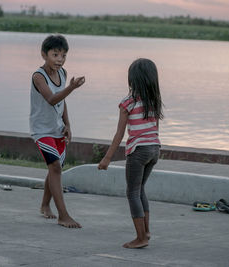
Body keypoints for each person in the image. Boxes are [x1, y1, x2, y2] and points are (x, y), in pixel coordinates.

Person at [98, 58, 164, 248]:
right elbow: (155, 128)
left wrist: (106, 159)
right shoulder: (154, 101)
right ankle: (147, 231)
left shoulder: (128, 102)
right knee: (140, 189)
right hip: (154, 149)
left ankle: (141, 238)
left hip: (138, 151)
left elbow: (119, 134)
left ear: (132, 79)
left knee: (132, 192)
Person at [30, 34, 85, 228]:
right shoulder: (39, 76)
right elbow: (52, 99)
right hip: (41, 130)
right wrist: (71, 87)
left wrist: (68, 124)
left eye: (63, 55)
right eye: (55, 55)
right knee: (55, 166)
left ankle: (45, 205)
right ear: (44, 55)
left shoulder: (62, 73)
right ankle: (63, 215)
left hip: (57, 129)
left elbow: (61, 101)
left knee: (55, 168)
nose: (60, 60)